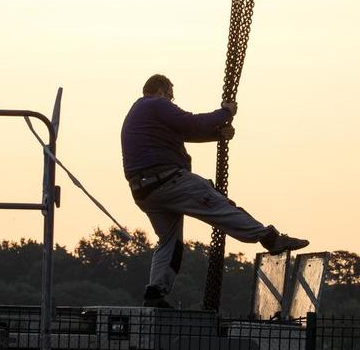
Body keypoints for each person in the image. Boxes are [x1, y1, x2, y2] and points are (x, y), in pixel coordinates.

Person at [122, 73, 308, 308]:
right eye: (170, 94)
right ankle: (270, 238)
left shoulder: (142, 114)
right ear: (160, 91)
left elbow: (185, 132)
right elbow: (191, 123)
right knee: (218, 205)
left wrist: (216, 135)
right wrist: (226, 112)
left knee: (170, 242)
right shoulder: (155, 104)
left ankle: (155, 293)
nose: (172, 98)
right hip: (167, 180)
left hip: (145, 191)